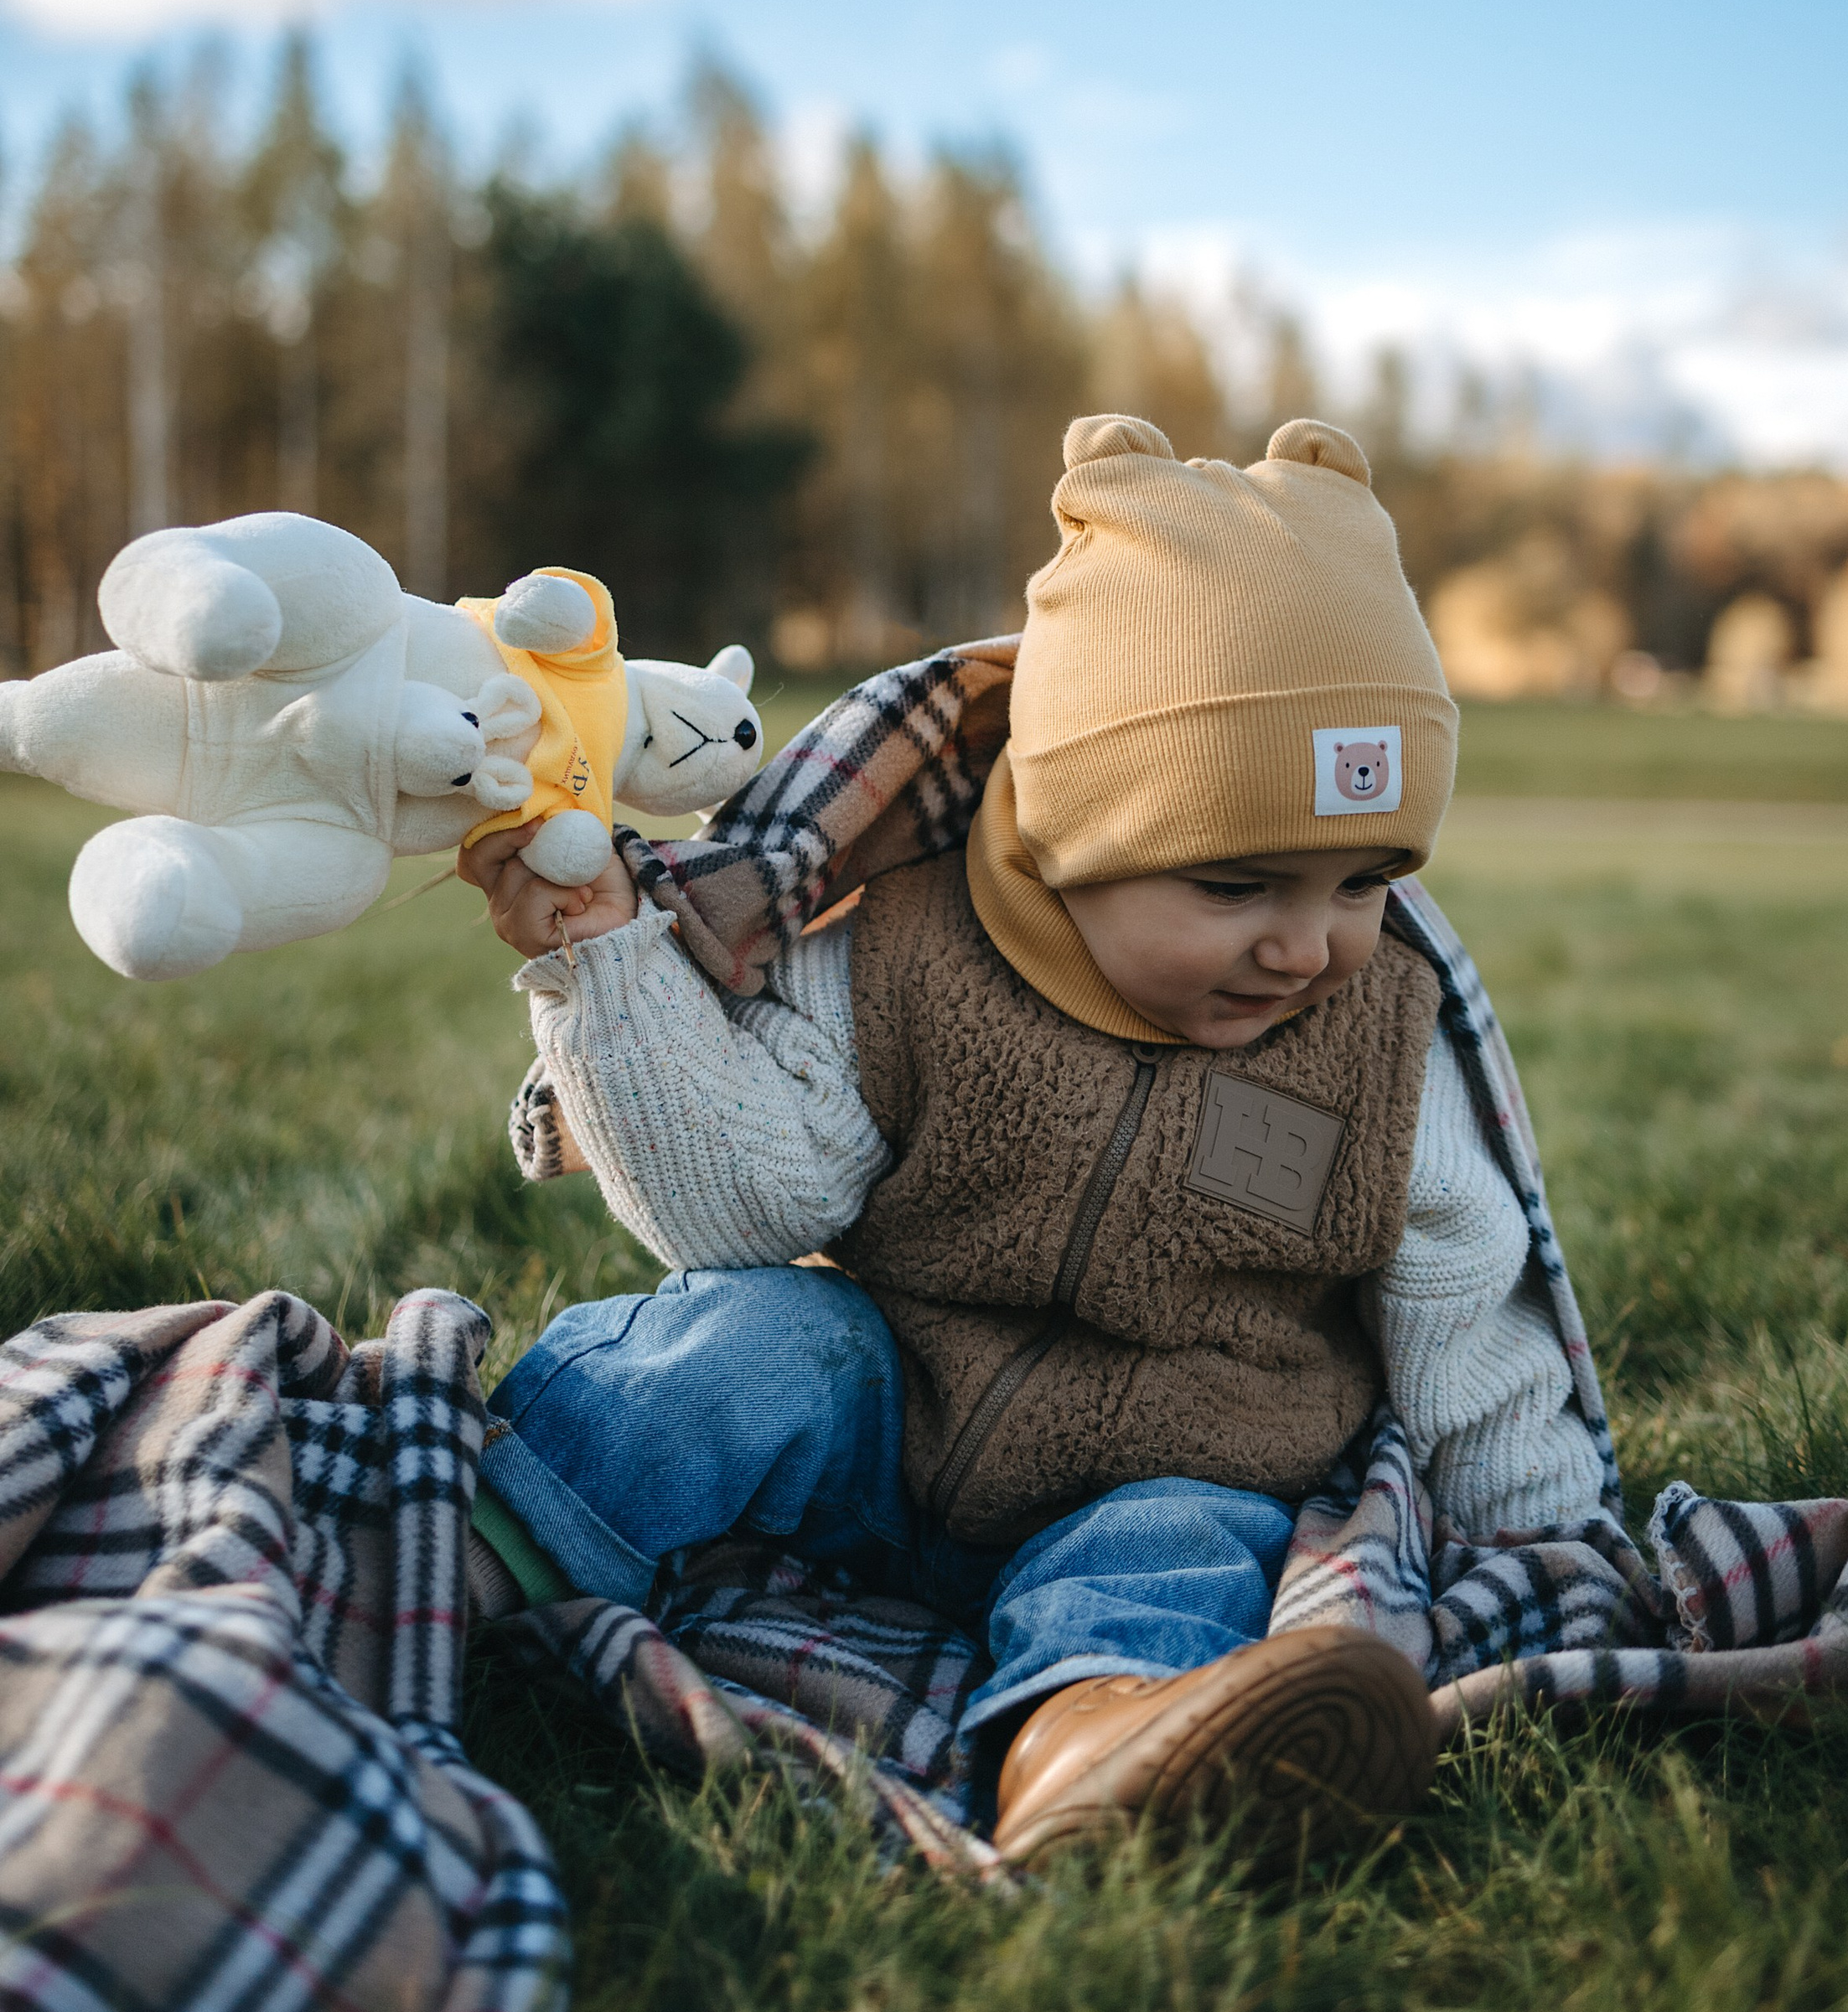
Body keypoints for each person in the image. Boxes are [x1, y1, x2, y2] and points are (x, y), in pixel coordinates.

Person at [462, 416, 1607, 1860]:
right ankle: (460, 1565)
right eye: (1240, 884)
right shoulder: (904, 954)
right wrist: (615, 964)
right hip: (898, 1421)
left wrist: (1544, 1553)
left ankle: (1093, 1736)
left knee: (1178, 1551)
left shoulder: (1378, 1042)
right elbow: (737, 1212)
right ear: (1071, 828)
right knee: (730, 1346)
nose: (1307, 947)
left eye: (1364, 880)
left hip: (1186, 1451)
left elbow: (1470, 1315)